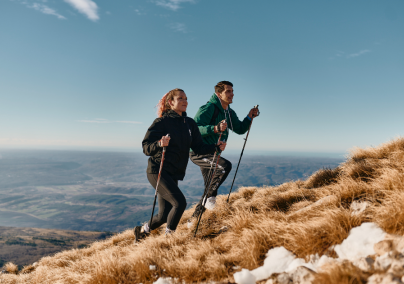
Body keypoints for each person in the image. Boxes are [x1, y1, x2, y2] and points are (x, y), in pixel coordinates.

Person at [134, 88, 226, 241]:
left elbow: (198, 147)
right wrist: (159, 143)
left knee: (164, 216)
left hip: (173, 173)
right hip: (158, 170)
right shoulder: (162, 122)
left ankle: (142, 230)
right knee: (180, 203)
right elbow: (146, 147)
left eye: (186, 98)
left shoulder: (189, 124)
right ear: (171, 103)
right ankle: (169, 240)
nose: (185, 101)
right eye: (181, 98)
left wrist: (215, 147)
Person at [188, 81, 259, 223]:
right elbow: (194, 129)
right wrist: (215, 128)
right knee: (224, 166)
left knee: (210, 186)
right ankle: (208, 200)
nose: (232, 94)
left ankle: (193, 221)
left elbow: (239, 129)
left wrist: (249, 117)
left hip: (213, 153)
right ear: (219, 93)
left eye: (232, 91)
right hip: (198, 152)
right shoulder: (209, 108)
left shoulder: (228, 112)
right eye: (228, 91)